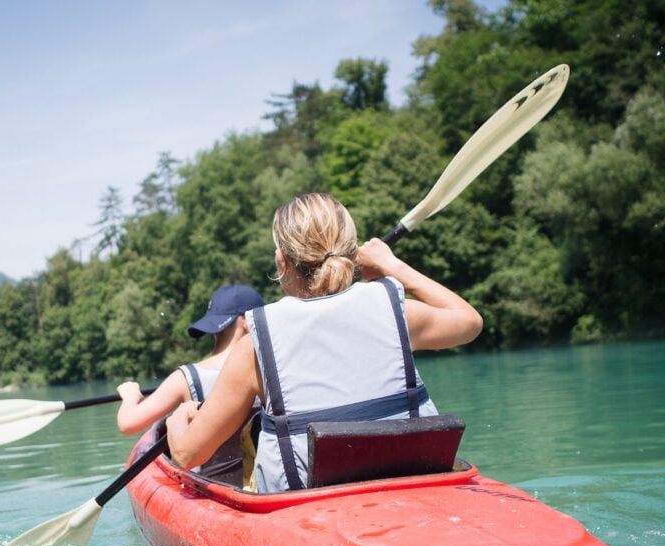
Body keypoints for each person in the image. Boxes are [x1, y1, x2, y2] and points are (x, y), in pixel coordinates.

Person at [166, 192, 483, 493]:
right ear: (352, 253)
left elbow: (188, 455)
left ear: (281, 261)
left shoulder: (254, 347)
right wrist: (393, 266)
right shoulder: (397, 313)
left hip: (308, 511)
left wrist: (178, 418)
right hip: (414, 487)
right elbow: (470, 323)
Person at [115, 284, 265, 435]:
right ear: (247, 321)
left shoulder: (186, 379)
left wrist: (131, 395)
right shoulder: (271, 367)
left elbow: (128, 424)